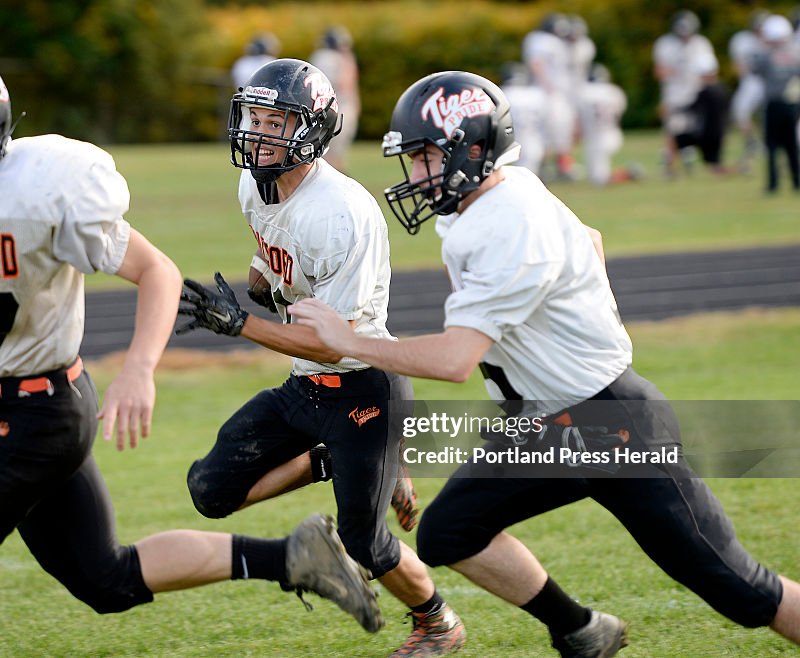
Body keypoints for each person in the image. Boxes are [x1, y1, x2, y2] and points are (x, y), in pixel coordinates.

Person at [0, 47, 383, 658]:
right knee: (105, 579)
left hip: (38, 414)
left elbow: (156, 270)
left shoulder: (43, 189)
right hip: (16, 407)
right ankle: (294, 557)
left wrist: (139, 368)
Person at [291, 70, 800, 657]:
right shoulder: (490, 196)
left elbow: (456, 360)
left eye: (428, 156)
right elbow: (590, 238)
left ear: (474, 149)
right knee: (449, 531)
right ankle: (581, 630)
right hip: (554, 423)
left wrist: (345, 340)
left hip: (612, 426)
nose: (417, 174)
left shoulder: (508, 221)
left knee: (738, 589)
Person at [177, 58, 465, 657]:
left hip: (363, 387)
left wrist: (243, 323)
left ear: (311, 131)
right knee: (211, 488)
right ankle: (333, 459)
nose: (257, 132)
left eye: (275, 122)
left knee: (367, 543)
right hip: (306, 386)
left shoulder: (342, 213)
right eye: (253, 117)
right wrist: (257, 284)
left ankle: (438, 622)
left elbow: (335, 341)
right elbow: (271, 248)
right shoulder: (254, 182)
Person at [653, 10, 717, 177]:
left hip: (696, 93)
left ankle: (697, 162)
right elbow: (659, 71)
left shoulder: (701, 44)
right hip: (674, 94)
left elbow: (710, 72)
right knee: (672, 131)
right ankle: (670, 167)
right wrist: (677, 72)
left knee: (696, 130)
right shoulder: (665, 44)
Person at [523, 13, 577, 180]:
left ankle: (560, 166)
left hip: (553, 93)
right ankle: (545, 167)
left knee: (560, 131)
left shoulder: (549, 41)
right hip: (546, 93)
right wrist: (548, 86)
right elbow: (536, 63)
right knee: (547, 131)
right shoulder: (540, 39)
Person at [751, 14, 800, 193]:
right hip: (792, 104)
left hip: (773, 103)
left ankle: (773, 184)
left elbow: (755, 70)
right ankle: (796, 181)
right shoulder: (795, 51)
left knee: (772, 146)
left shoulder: (766, 53)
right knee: (792, 145)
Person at [310, 26, 361, 172]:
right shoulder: (331, 58)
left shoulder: (320, 56)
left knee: (327, 149)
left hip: (324, 107)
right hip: (337, 106)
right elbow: (344, 84)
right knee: (333, 151)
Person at [674, 51, 731, 175]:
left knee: (679, 139)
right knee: (715, 166)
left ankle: (682, 164)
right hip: (720, 134)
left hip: (706, 135)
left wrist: (674, 110)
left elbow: (692, 108)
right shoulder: (723, 89)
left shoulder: (705, 92)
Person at [728, 10, 771, 174]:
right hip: (750, 81)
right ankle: (752, 142)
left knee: (768, 114)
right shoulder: (742, 40)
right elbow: (738, 66)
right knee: (739, 112)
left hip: (768, 81)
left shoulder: (771, 39)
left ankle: (768, 144)